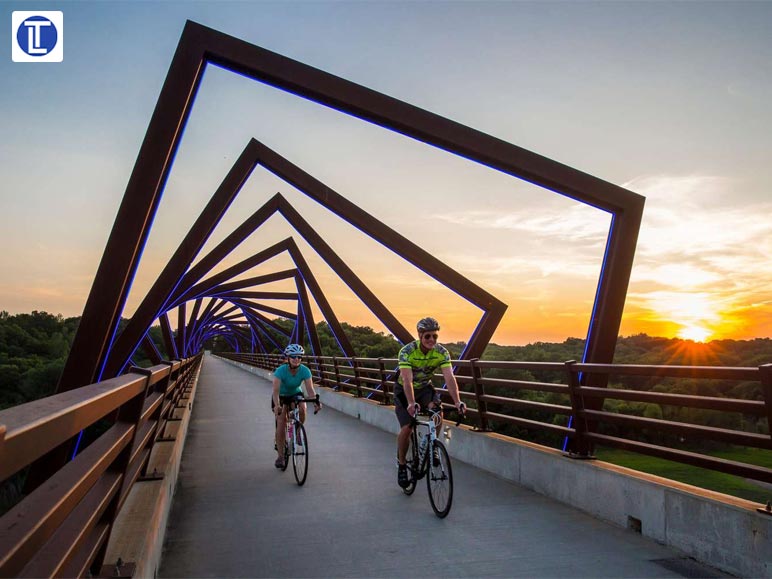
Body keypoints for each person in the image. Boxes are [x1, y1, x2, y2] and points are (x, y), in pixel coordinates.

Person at [394, 317, 465, 488]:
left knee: (438, 413)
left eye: (435, 336)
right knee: (407, 427)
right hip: (404, 390)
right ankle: (402, 464)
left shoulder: (441, 352)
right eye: (427, 336)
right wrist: (411, 403)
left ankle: (432, 444)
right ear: (419, 335)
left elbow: (449, 377)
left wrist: (458, 402)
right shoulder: (407, 351)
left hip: (425, 388)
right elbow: (407, 379)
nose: (431, 340)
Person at [272, 343, 321, 469]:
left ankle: (298, 431)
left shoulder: (305, 370)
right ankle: (281, 457)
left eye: (299, 357)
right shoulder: (280, 371)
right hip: (281, 396)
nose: (297, 359)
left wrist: (316, 401)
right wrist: (277, 405)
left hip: (295, 393)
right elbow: (276, 391)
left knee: (303, 408)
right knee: (281, 421)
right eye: (293, 356)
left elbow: (310, 390)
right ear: (288, 358)